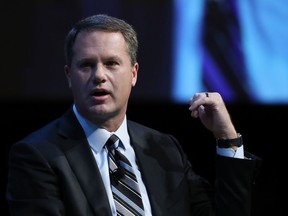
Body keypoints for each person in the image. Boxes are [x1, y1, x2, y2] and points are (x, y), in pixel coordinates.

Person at [6, 14, 261, 216]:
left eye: (111, 63)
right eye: (86, 65)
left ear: (134, 74)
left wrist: (226, 138)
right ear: (69, 76)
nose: (99, 75)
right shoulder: (37, 155)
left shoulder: (163, 149)